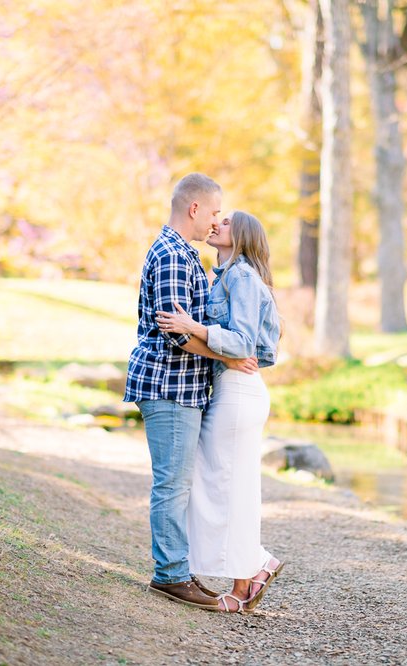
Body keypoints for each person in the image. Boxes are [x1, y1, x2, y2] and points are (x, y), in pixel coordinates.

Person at [124, 174, 258, 611]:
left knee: (180, 482)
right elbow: (174, 336)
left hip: (182, 386)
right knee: (172, 484)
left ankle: (178, 569)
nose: (216, 220)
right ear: (194, 209)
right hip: (169, 384)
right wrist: (229, 358)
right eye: (215, 212)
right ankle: (170, 576)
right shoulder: (172, 256)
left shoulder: (185, 255)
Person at [156, 210, 284, 613]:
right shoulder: (229, 275)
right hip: (230, 390)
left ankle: (250, 574)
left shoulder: (242, 276)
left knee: (226, 484)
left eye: (225, 222)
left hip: (238, 393)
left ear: (242, 235)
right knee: (224, 484)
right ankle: (252, 569)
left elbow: (244, 342)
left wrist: (194, 327)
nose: (216, 225)